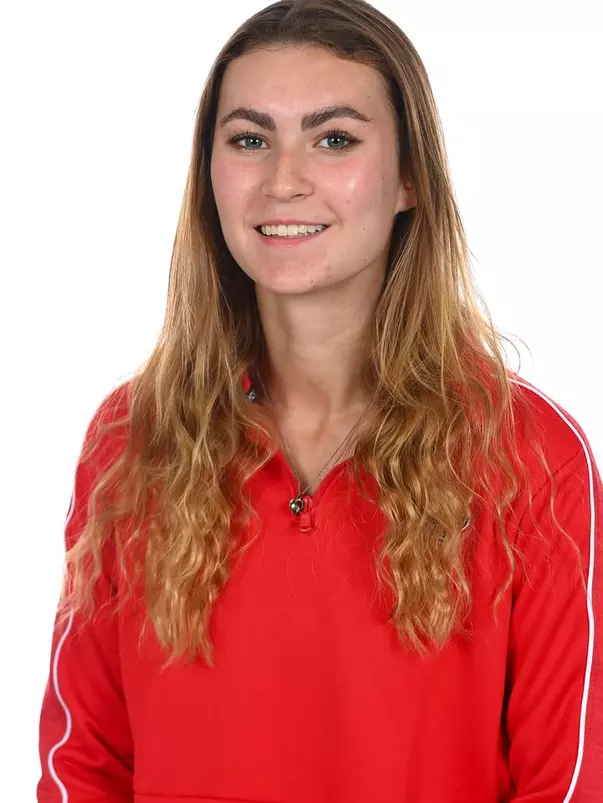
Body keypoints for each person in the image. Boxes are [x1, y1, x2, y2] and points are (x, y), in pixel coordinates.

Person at [37, 1, 602, 801]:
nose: (284, 180)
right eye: (249, 139)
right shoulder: (132, 436)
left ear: (409, 177)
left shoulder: (528, 452)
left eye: (333, 138)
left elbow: (573, 778)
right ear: (208, 174)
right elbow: (82, 760)